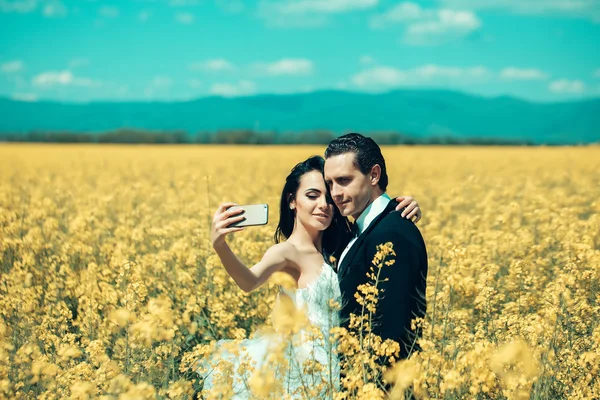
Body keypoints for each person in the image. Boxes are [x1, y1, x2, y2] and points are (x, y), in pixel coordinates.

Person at [201, 155, 423, 398]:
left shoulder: (342, 248)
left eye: (328, 197)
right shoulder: (287, 251)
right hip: (303, 376)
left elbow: (374, 226)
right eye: (312, 195)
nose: (324, 205)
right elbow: (249, 281)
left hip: (343, 369)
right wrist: (220, 245)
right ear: (292, 201)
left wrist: (398, 208)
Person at [324, 133, 428, 362]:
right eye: (329, 184)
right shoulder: (361, 227)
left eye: (344, 180)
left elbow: (393, 326)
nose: (335, 193)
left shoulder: (393, 233)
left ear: (374, 175)